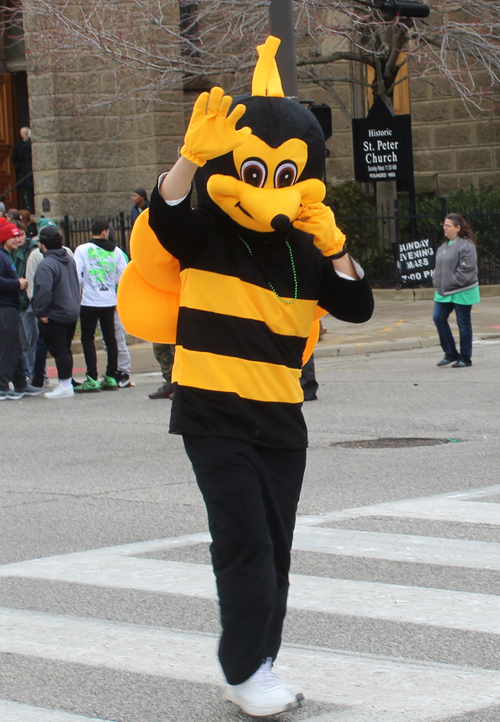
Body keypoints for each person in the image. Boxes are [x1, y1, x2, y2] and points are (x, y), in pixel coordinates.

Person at [139, 38, 374, 717]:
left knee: (275, 551)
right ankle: (244, 671)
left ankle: (258, 662)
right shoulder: (208, 231)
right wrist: (189, 157)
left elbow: (357, 305)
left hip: (281, 419)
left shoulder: (304, 246)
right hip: (214, 413)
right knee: (243, 543)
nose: (267, 187)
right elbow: (165, 214)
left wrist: (336, 245)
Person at [73, 219, 127, 392]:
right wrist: (110, 283)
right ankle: (111, 375)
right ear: (105, 232)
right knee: (110, 338)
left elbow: (76, 275)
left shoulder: (82, 250)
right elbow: (123, 275)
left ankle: (92, 377)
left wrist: (87, 284)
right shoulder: (116, 251)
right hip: (109, 300)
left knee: (87, 338)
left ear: (92, 232)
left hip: (89, 300)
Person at [32, 226, 81, 399]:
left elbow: (44, 290)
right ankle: (66, 382)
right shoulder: (69, 260)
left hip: (56, 313)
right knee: (65, 349)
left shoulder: (46, 264)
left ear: (43, 244)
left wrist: (41, 311)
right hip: (71, 310)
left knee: (59, 350)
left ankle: (65, 384)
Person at [0, 217, 43, 399]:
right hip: (4, 307)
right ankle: (2, 386)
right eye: (13, 237)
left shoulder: (6, 255)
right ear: (4, 238)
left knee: (16, 347)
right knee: (8, 348)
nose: (18, 239)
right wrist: (17, 284)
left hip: (11, 306)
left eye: (19, 236)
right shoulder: (1, 256)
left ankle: (20, 384)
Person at [433, 213, 479, 368]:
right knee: (438, 318)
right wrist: (437, 281)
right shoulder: (444, 246)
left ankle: (465, 358)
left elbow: (467, 270)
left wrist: (450, 281)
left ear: (458, 228)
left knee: (463, 323)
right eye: (444, 225)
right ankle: (450, 353)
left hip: (462, 290)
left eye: (448, 226)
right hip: (444, 291)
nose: (444, 228)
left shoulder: (467, 245)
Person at [11, 219, 39, 379]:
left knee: (32, 339)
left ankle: (37, 373)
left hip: (29, 300)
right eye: (16, 235)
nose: (19, 239)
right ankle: (29, 373)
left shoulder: (31, 251)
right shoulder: (11, 252)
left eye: (21, 234)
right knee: (23, 342)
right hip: (18, 301)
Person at [11, 128, 34, 213]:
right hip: (24, 172)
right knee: (26, 191)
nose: (27, 135)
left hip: (31, 170)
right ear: (21, 135)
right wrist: (20, 167)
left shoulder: (32, 143)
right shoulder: (18, 146)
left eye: (28, 133)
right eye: (25, 134)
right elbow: (15, 158)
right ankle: (29, 208)